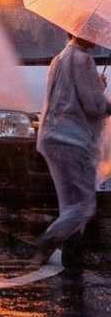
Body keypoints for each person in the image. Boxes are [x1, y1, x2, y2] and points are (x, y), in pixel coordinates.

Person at [30, 33, 111, 267]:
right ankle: (45, 242)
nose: (96, 36)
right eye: (91, 31)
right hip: (73, 140)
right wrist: (102, 94)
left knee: (69, 203)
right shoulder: (83, 60)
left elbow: (69, 96)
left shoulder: (58, 59)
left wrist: (96, 84)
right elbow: (94, 107)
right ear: (79, 32)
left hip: (51, 138)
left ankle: (72, 255)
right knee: (85, 205)